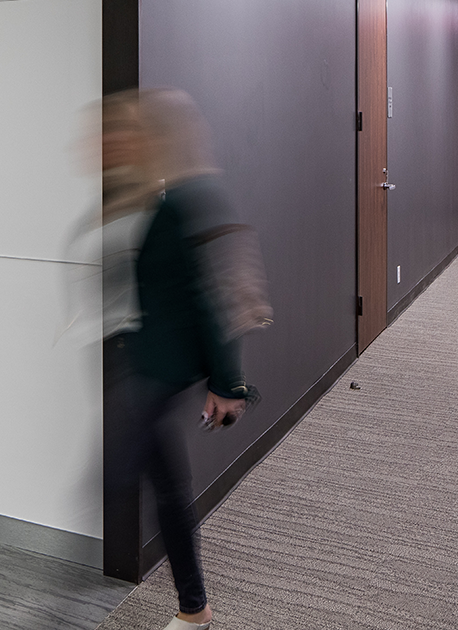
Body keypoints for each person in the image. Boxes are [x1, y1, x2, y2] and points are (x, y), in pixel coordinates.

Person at [107, 88, 264, 630]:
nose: (125, 141)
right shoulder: (159, 194)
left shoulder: (193, 197)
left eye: (136, 131)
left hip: (158, 371)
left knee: (115, 477)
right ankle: (194, 610)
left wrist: (229, 384)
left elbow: (224, 296)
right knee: (166, 487)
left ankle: (194, 610)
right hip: (146, 365)